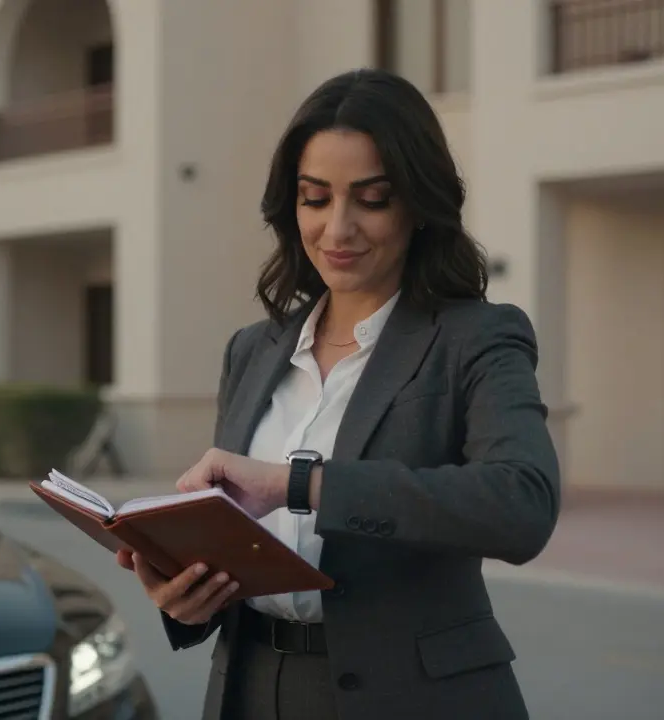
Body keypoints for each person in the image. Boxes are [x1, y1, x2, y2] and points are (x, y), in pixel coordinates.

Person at [115, 67, 560, 719]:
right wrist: (188, 594)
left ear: (419, 203)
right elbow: (243, 539)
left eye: (372, 198)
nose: (337, 229)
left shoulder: (478, 338)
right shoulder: (252, 351)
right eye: (315, 198)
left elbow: (522, 505)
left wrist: (298, 484)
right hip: (249, 685)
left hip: (414, 699)